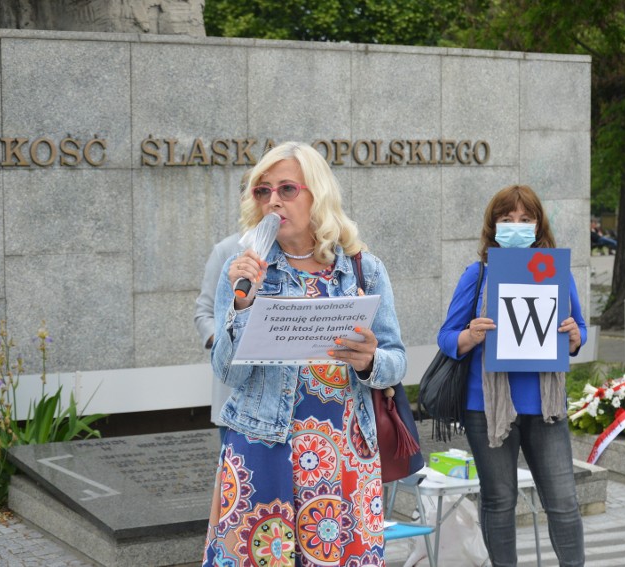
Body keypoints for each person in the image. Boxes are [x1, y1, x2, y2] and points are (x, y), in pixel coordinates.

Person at [202, 141, 407, 566]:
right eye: (262, 191)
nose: (273, 200)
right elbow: (226, 372)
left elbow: (396, 360)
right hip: (263, 446)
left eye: (286, 189)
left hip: (344, 452)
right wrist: (243, 307)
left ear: (317, 194)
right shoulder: (242, 268)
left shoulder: (362, 269)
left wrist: (371, 362)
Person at [437, 184, 587, 567]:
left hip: (545, 408)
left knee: (564, 501)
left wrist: (573, 337)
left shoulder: (556, 273)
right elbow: (447, 337)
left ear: (538, 226)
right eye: (507, 220)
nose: (516, 226)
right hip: (486, 408)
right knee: (499, 500)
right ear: (494, 226)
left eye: (525, 219)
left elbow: (579, 330)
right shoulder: (478, 274)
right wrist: (470, 335)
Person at [194, 231, 241, 442]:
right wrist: (228, 343)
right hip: (232, 399)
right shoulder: (226, 249)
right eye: (260, 194)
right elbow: (204, 314)